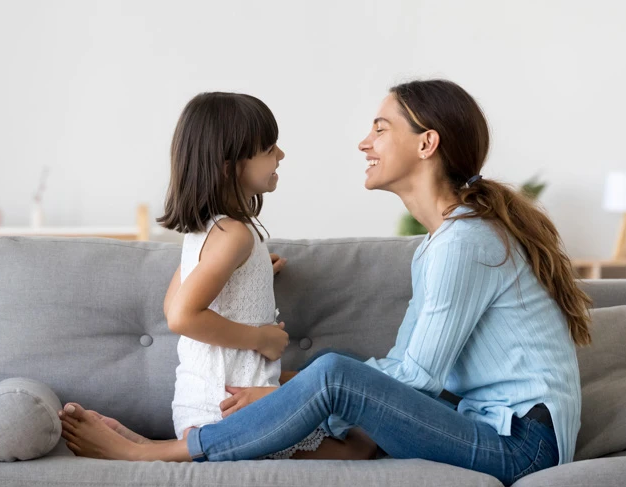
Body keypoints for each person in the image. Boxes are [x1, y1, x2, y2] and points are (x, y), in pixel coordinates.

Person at [59, 80, 591, 485]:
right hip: (489, 424)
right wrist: (287, 389)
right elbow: (408, 367)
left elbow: (415, 378)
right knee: (333, 386)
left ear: (427, 143)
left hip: (521, 446)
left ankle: (158, 451)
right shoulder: (442, 243)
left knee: (332, 373)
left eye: (381, 128)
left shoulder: (464, 242)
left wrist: (291, 389)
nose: (365, 142)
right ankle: (192, 440)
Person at [61, 91, 375, 461]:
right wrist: (261, 338)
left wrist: (252, 275)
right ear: (229, 167)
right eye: (269, 148)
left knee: (343, 405)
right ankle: (153, 453)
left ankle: (153, 445)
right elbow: (181, 316)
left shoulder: (208, 233)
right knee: (361, 445)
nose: (281, 155)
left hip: (206, 404)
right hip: (231, 410)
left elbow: (172, 305)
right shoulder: (235, 236)